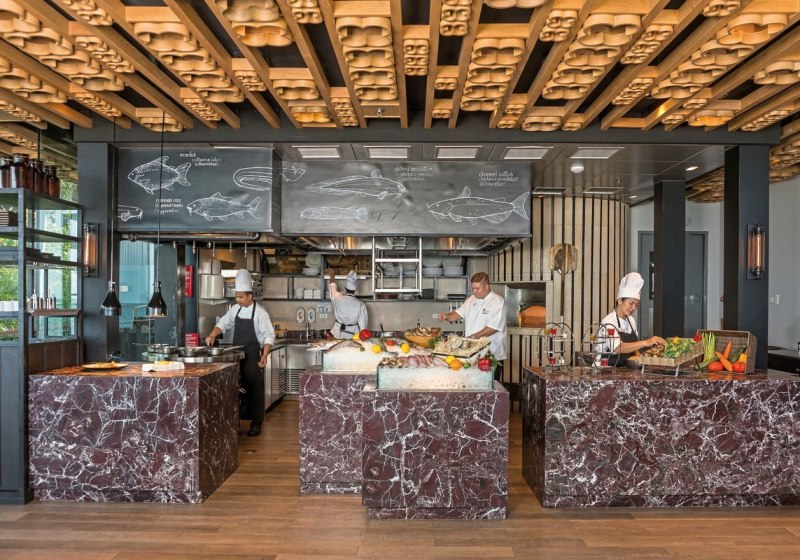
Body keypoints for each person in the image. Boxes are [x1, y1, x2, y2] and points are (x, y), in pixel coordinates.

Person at [205, 269, 274, 436]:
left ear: (250, 296)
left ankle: (256, 422)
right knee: (234, 386)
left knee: (253, 387)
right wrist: (212, 334)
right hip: (236, 353)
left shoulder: (260, 313)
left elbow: (268, 336)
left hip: (252, 354)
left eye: (240, 297)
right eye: (236, 297)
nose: (238, 300)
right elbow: (223, 323)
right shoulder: (235, 309)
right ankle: (235, 419)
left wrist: (265, 355)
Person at [437, 272, 507, 379]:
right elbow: (457, 314)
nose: (474, 291)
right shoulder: (471, 300)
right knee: (473, 383)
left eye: (477, 288)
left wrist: (472, 338)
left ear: (486, 286)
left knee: (489, 384)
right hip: (471, 354)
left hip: (491, 354)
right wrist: (447, 316)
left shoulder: (498, 302)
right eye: (473, 288)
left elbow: (493, 328)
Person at [597, 271, 665, 366]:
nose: (633, 308)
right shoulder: (608, 321)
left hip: (625, 367)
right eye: (631, 303)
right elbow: (618, 348)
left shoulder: (631, 320)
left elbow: (634, 346)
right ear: (620, 300)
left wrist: (640, 360)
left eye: (636, 305)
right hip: (607, 368)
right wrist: (647, 342)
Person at [327, 269, 368, 339]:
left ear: (345, 288)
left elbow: (332, 288)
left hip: (337, 335)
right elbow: (363, 326)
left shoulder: (337, 298)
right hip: (353, 337)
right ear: (355, 289)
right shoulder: (361, 304)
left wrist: (332, 276)